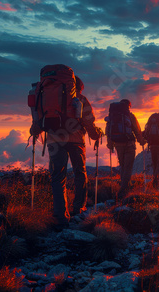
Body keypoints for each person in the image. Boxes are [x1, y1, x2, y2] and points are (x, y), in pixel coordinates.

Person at [30, 75, 102, 231]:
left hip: (55, 140)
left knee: (57, 176)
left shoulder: (45, 98)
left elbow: (38, 118)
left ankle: (60, 217)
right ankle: (79, 208)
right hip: (76, 140)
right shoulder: (80, 99)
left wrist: (34, 130)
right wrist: (95, 135)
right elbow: (88, 121)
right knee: (80, 172)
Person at [105, 99, 145, 198]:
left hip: (118, 145)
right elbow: (137, 130)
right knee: (127, 167)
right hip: (129, 145)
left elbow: (108, 132)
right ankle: (123, 191)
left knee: (123, 166)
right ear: (128, 106)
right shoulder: (130, 116)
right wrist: (141, 141)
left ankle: (125, 186)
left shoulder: (112, 117)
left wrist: (110, 145)